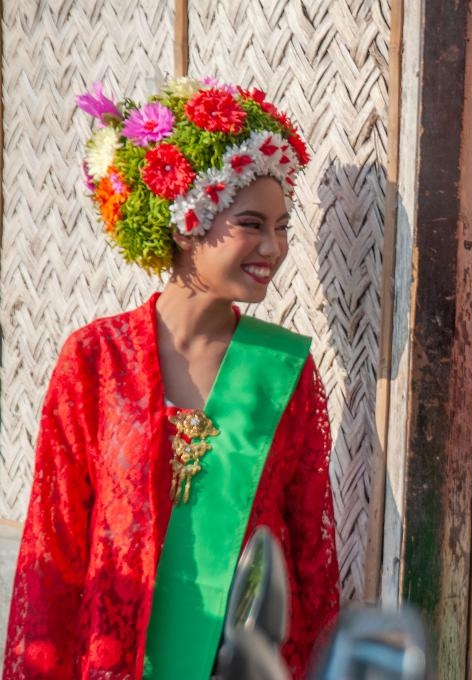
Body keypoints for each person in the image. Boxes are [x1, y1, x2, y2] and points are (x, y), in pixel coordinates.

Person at [4, 77, 339, 679]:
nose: (275, 245)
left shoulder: (284, 369)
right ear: (187, 222)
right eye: (251, 223)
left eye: (282, 225)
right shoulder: (95, 361)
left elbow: (312, 561)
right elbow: (52, 551)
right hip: (119, 656)